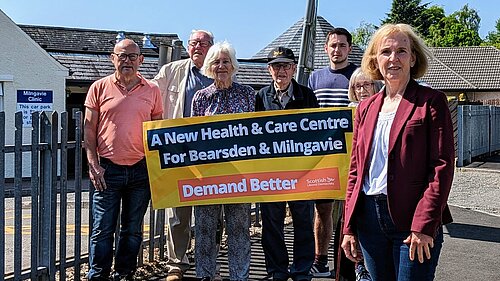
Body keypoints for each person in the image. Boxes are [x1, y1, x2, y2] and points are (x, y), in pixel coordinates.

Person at [341, 23, 455, 281]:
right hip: (369, 219)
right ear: (375, 60)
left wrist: (424, 226)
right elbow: (356, 170)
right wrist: (349, 227)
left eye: (401, 51)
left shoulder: (431, 102)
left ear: (413, 58)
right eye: (386, 52)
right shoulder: (366, 108)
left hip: (413, 219)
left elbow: (442, 167)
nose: (393, 58)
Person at [84, 38, 163, 280]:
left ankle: (124, 274)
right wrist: (93, 164)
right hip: (107, 169)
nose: (126, 61)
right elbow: (89, 129)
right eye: (122, 56)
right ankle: (98, 275)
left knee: (132, 231)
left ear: (141, 60)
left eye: (132, 56)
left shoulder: (152, 90)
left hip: (140, 170)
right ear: (112, 58)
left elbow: (157, 131)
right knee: (102, 229)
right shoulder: (98, 87)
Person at [152, 29, 214, 281]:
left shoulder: (220, 69)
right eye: (193, 43)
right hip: (178, 150)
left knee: (211, 210)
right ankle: (177, 262)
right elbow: (151, 96)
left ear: (212, 45)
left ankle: (208, 261)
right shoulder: (171, 71)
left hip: (212, 153)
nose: (197, 46)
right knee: (178, 211)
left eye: (203, 43)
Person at [191, 41, 255, 281]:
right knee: (205, 228)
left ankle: (240, 275)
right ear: (209, 66)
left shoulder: (247, 93)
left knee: (239, 229)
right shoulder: (200, 98)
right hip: (209, 176)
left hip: (239, 176)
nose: (221, 66)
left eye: (226, 61)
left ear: (233, 65)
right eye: (216, 62)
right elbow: (193, 136)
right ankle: (205, 274)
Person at [256, 47, 318, 281]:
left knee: (303, 220)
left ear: (293, 68)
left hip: (301, 171)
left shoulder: (307, 95)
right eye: (275, 66)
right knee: (272, 223)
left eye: (285, 66)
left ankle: (302, 269)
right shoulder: (260, 96)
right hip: (270, 173)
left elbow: (316, 132)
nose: (280, 71)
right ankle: (277, 270)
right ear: (268, 70)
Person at [307, 27, 358, 279]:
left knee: (353, 211)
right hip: (325, 157)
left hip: (353, 156)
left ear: (349, 48)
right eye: (333, 45)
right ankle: (321, 259)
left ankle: (351, 263)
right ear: (326, 49)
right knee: (323, 211)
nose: (337, 50)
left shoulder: (359, 76)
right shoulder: (315, 78)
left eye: (342, 45)